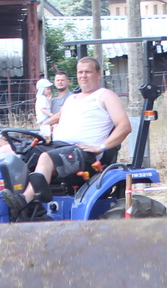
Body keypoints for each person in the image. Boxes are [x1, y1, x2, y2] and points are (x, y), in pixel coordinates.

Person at [14, 56, 131, 212]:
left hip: (82, 152)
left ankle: (23, 202)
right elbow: (58, 118)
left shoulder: (105, 96)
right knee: (16, 153)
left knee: (45, 158)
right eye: (80, 72)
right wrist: (42, 129)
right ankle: (9, 195)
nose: (83, 75)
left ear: (98, 74)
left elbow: (124, 126)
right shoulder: (71, 99)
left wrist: (101, 147)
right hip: (58, 147)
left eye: (88, 72)